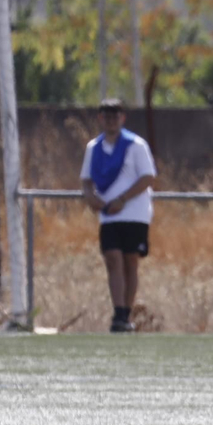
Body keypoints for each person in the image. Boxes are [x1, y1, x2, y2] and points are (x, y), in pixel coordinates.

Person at [80, 99, 157, 332]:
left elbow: (148, 177)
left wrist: (122, 199)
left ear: (122, 119)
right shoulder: (94, 147)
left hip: (134, 213)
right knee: (112, 258)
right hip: (108, 215)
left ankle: (126, 313)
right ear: (100, 119)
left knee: (130, 261)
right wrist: (91, 198)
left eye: (115, 116)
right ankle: (118, 312)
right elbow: (86, 180)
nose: (111, 120)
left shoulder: (136, 145)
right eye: (106, 116)